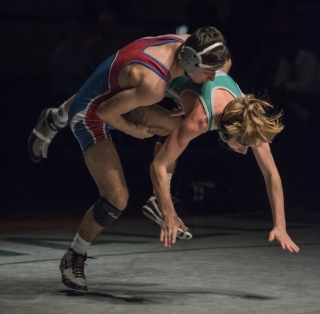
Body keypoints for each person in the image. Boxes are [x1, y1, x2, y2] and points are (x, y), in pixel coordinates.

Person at [28, 26, 231, 292]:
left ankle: (56, 117)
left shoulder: (186, 43)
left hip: (117, 88)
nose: (212, 79)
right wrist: (132, 130)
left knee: (174, 130)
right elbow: (104, 111)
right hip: (93, 115)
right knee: (116, 199)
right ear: (192, 60)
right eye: (208, 73)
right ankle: (73, 256)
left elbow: (223, 60)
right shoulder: (154, 86)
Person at [143, 70, 299, 253]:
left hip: (182, 81)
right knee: (162, 132)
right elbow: (157, 165)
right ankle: (159, 201)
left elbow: (271, 173)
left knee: (170, 136)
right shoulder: (200, 119)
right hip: (151, 77)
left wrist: (280, 225)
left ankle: (158, 199)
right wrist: (170, 215)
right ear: (226, 131)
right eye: (242, 145)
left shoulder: (248, 116)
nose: (243, 152)